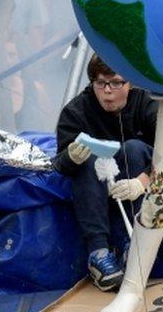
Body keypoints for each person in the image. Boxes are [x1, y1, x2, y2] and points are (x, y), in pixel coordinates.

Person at [54, 55, 157, 291]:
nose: (107, 91)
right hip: (94, 183)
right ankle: (99, 255)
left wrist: (143, 181)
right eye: (100, 84)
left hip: (136, 176)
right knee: (86, 161)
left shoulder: (147, 102)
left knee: (134, 148)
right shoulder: (76, 111)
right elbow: (59, 163)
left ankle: (135, 245)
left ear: (130, 83)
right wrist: (71, 157)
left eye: (116, 83)